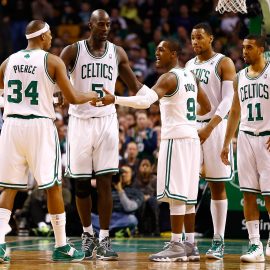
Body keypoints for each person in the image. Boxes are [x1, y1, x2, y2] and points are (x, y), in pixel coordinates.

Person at [99, 39, 211, 262]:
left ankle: (176, 245)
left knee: (176, 195)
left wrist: (116, 99)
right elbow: (206, 107)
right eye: (156, 49)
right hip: (191, 138)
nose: (157, 53)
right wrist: (185, 114)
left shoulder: (169, 77)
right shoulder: (190, 76)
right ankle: (190, 245)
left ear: (174, 53)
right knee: (188, 196)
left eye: (162, 50)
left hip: (176, 140)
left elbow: (146, 102)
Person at [0, 20, 98, 263]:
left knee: (9, 187)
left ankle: (0, 245)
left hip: (11, 125)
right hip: (39, 126)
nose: (52, 39)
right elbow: (74, 97)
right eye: (50, 35)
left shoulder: (7, 62)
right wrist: (94, 94)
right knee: (53, 185)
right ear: (42, 36)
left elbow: (17, 90)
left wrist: (51, 98)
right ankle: (62, 246)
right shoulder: (52, 61)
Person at [60, 9, 143, 260]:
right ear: (90, 25)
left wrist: (157, 94)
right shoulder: (73, 51)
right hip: (79, 121)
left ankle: (104, 239)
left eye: (108, 25)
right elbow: (56, 78)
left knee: (106, 182)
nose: (106, 28)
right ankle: (87, 235)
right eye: (101, 24)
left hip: (107, 121)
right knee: (82, 184)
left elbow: (135, 87)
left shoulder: (117, 53)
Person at [185, 23, 236, 260]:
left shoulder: (224, 62)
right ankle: (187, 241)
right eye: (192, 38)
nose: (195, 42)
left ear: (211, 38)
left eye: (199, 38)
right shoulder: (188, 65)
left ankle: (218, 240)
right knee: (186, 185)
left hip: (215, 127)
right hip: (193, 125)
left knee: (216, 185)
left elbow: (227, 101)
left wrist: (209, 128)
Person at [221, 35, 270, 263]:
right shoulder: (239, 77)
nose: (244, 51)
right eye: (243, 47)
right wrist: (225, 142)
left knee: (269, 195)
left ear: (261, 50)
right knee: (248, 193)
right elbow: (235, 111)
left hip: (267, 138)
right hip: (245, 137)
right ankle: (254, 244)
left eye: (249, 48)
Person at [91, 165, 144, 236]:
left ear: (132, 175)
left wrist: (120, 190)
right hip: (107, 218)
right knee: (89, 217)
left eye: (126, 172)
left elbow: (129, 208)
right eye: (121, 173)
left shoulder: (136, 192)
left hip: (123, 218)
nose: (123, 175)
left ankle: (106, 231)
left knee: (132, 220)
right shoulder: (108, 189)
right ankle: (115, 231)